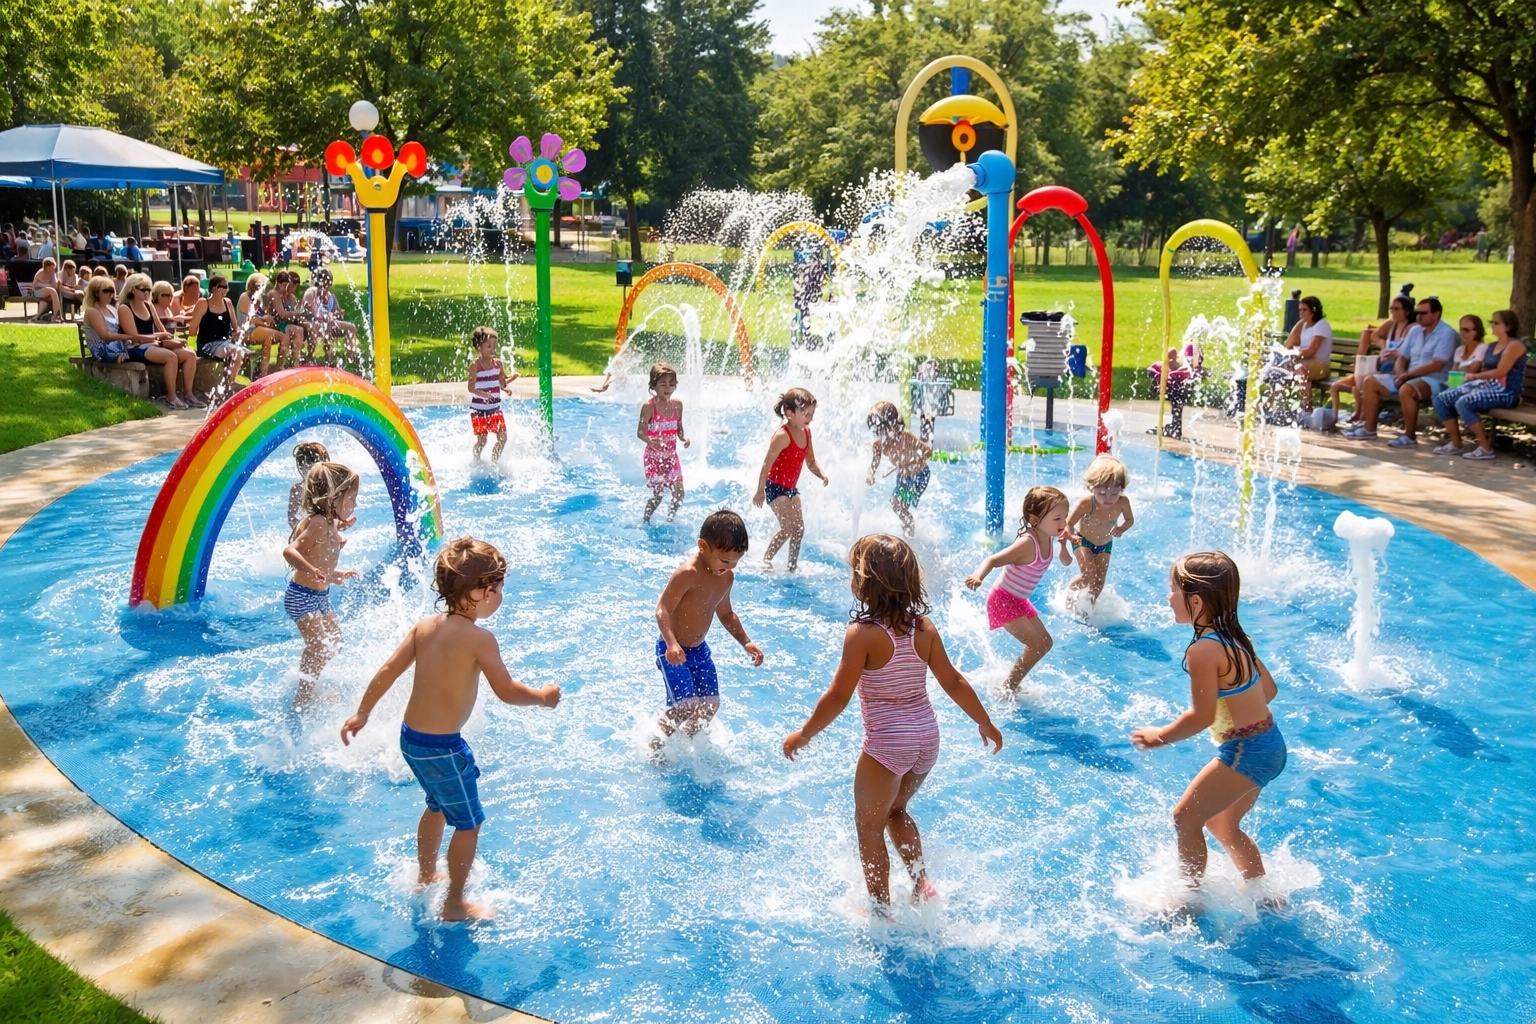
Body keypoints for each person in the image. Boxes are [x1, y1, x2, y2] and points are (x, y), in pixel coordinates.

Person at [340, 537, 561, 922]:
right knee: (469, 824)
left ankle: (427, 875)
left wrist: (363, 713)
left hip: (412, 740)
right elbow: (507, 692)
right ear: (481, 591)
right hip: (443, 748)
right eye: (499, 588)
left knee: (436, 806)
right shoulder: (479, 639)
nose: (501, 596)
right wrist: (542, 696)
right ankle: (455, 904)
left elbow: (388, 670)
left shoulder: (425, 627)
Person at [783, 534, 1003, 915]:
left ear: (864, 583)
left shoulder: (863, 635)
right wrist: (984, 722)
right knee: (895, 811)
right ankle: (921, 884)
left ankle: (880, 911)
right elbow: (953, 681)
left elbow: (838, 696)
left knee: (868, 828)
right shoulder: (924, 629)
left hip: (888, 745)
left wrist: (805, 734)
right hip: (926, 739)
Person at [1131, 552, 1285, 901]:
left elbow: (1200, 717)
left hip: (1246, 751)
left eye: (1172, 590)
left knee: (1185, 817)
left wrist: (1162, 736)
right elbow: (1270, 691)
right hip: (1270, 744)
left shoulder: (1203, 650)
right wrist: (1239, 711)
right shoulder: (1236, 638)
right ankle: (1264, 895)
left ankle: (1188, 899)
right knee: (1222, 824)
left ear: (1195, 600)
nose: (1168, 597)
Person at [653, 509, 763, 742]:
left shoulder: (726, 577)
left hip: (699, 651)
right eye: (725, 560)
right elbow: (662, 609)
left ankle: (683, 743)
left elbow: (726, 613)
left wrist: (746, 642)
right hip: (674, 650)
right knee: (686, 706)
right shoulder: (688, 574)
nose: (730, 566)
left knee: (710, 706)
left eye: (735, 562)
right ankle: (656, 743)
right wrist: (671, 644)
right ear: (703, 546)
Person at [964, 486, 1073, 692]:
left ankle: (1010, 682)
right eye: (1057, 518)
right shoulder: (1027, 543)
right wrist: (978, 577)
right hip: (1003, 601)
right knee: (1038, 646)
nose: (1063, 523)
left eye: (1065, 517)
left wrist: (1065, 545)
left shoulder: (1050, 535)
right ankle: (1008, 686)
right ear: (1034, 520)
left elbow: (1066, 562)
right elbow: (993, 559)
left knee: (1046, 643)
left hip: (1019, 600)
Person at [283, 461, 359, 708]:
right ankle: (303, 698)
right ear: (333, 497)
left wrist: (333, 574)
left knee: (334, 641)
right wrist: (310, 569)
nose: (355, 504)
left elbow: (321, 557)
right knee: (317, 647)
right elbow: (290, 551)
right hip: (302, 596)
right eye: (351, 498)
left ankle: (308, 683)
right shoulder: (316, 523)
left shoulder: (330, 523)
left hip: (321, 595)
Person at [1345, 296, 1457, 445]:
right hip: (1408, 377)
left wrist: (1408, 375)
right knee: (1370, 381)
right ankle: (1369, 429)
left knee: (1406, 389)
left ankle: (1409, 436)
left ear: (1436, 314)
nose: (1418, 316)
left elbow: (1437, 365)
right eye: (1417, 312)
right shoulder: (1415, 330)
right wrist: (1400, 374)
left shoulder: (1447, 334)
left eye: (1423, 313)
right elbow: (1402, 358)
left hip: (1435, 380)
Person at [1432, 310, 1528, 460]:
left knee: (1464, 402)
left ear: (1508, 327)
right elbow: (1486, 368)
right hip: (1487, 385)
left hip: (1506, 391)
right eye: (1491, 322)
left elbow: (1500, 372)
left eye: (1496, 323)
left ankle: (1485, 448)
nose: (1492, 326)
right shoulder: (1492, 346)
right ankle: (1456, 444)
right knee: (1441, 399)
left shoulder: (1514, 345)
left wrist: (1475, 376)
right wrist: (1476, 379)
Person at [753, 388, 828, 572]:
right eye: (806, 413)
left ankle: (791, 566)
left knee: (799, 529)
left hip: (791, 489)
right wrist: (759, 490)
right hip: (774, 488)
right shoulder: (782, 436)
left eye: (811, 413)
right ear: (789, 413)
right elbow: (766, 465)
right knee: (788, 527)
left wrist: (821, 474)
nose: (810, 417)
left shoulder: (806, 432)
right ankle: (766, 560)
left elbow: (810, 461)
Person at [118, 272, 200, 408]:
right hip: (136, 348)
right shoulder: (125, 308)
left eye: (148, 289)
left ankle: (188, 394)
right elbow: (133, 336)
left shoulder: (149, 306)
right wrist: (158, 337)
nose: (146, 292)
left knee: (190, 355)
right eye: (142, 289)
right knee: (171, 357)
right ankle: (171, 397)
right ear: (132, 289)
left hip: (154, 345)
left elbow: (163, 330)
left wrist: (173, 341)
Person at [1333, 293, 1413, 424]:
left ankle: (1365, 420)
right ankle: (1361, 418)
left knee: (1366, 382)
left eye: (1396, 309)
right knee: (1361, 381)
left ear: (1407, 311)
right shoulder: (1391, 324)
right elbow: (1374, 335)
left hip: (1398, 371)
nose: (1392, 311)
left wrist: (1397, 352)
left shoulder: (1411, 327)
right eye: (1391, 309)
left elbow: (1409, 348)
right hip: (1385, 367)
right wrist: (1383, 345)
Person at [1067, 456, 1134, 603]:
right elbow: (1069, 524)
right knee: (1088, 577)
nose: (1108, 499)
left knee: (1099, 582)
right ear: (1090, 488)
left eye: (1115, 493)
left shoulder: (1123, 502)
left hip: (1105, 544)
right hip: (1083, 541)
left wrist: (1121, 529)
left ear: (1122, 489)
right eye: (1102, 494)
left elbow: (1130, 520)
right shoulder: (1086, 503)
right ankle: (1070, 597)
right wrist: (1072, 537)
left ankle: (1089, 608)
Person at [865, 401, 933, 537]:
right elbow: (874, 464)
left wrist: (909, 463)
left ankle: (910, 532)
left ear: (894, 424)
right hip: (903, 477)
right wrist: (870, 475)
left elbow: (928, 452)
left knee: (899, 504)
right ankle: (908, 531)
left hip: (919, 475)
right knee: (898, 505)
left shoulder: (906, 437)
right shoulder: (878, 444)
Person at [638, 363, 690, 523]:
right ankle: (645, 519)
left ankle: (670, 520)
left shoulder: (677, 405)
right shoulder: (649, 407)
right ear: (653, 385)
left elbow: (678, 428)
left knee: (679, 493)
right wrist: (650, 440)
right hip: (653, 458)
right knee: (659, 495)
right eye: (663, 384)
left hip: (671, 457)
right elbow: (640, 432)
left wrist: (683, 438)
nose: (668, 388)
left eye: (671, 384)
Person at [186, 275, 252, 396]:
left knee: (244, 353)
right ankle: (228, 386)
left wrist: (237, 332)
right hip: (207, 344)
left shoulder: (228, 303)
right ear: (214, 288)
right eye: (224, 287)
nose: (227, 290)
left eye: (227, 287)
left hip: (225, 343)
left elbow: (235, 326)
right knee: (237, 352)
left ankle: (228, 383)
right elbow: (192, 330)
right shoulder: (203, 303)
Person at [1268, 295, 1331, 413]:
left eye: (1304, 310)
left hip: (1321, 364)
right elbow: (1288, 344)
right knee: (1282, 368)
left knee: (1300, 369)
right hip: (1304, 361)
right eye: (1300, 310)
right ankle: (1273, 405)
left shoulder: (1321, 325)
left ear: (1314, 310)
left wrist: (1294, 353)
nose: (1301, 313)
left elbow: (1312, 350)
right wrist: (1288, 352)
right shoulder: (1303, 324)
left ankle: (1307, 409)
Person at [467, 326, 516, 463]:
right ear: (479, 348)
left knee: (503, 438)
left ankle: (494, 464)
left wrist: (507, 387)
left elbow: (501, 382)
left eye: (494, 346)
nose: (493, 349)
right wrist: (482, 394)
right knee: (482, 440)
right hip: (478, 411)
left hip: (495, 409)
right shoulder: (475, 366)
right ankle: (475, 460)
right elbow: (470, 388)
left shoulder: (498, 364)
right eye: (489, 346)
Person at [238, 273, 299, 372]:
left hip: (257, 328)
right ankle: (278, 368)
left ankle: (264, 371)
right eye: (262, 285)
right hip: (247, 330)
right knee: (283, 337)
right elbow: (249, 320)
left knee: (268, 338)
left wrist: (267, 317)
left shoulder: (257, 298)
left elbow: (259, 316)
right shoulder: (245, 297)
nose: (263, 288)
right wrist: (264, 322)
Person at [302, 268, 360, 363]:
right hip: (310, 323)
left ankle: (351, 357)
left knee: (351, 327)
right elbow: (315, 314)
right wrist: (329, 316)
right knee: (323, 327)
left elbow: (337, 312)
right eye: (323, 284)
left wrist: (338, 314)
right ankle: (312, 358)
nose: (325, 287)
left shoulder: (330, 296)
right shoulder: (311, 292)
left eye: (328, 284)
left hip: (328, 323)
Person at [287, 441, 331, 530]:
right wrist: (306, 531)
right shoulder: (298, 489)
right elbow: (291, 518)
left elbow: (291, 518)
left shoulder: (331, 486)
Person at [26, 257, 63, 323]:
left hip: (48, 293)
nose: (51, 270)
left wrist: (54, 278)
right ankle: (54, 316)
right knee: (52, 290)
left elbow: (55, 286)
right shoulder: (40, 273)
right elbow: (35, 286)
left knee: (53, 292)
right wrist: (48, 286)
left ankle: (52, 315)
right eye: (50, 268)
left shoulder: (52, 273)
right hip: (36, 292)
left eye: (53, 268)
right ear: (45, 267)